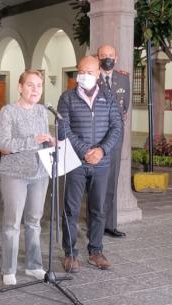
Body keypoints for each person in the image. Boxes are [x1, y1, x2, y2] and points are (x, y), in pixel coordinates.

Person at [57, 56, 122, 272]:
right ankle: (70, 253)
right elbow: (64, 130)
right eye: (81, 72)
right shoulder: (67, 98)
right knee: (71, 208)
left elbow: (116, 127)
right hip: (76, 162)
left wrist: (101, 150)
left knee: (98, 209)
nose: (84, 76)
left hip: (101, 163)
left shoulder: (109, 97)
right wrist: (85, 151)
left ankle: (96, 251)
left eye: (90, 72)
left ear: (98, 74)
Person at [0, 70, 53, 286]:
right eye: (30, 85)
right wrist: (34, 140)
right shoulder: (8, 111)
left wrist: (50, 142)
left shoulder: (41, 111)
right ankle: (8, 269)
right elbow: (3, 145)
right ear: (20, 87)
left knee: (34, 221)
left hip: (39, 173)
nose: (35, 89)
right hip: (14, 174)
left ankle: (34, 265)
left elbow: (42, 140)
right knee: (12, 223)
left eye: (39, 85)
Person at [97, 44, 130, 238]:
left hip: (116, 136)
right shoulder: (93, 77)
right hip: (97, 136)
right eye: (104, 55)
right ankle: (96, 223)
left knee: (112, 180)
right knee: (97, 182)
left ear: (116, 58)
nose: (107, 58)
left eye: (110, 55)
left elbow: (124, 107)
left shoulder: (123, 78)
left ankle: (110, 223)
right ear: (98, 57)